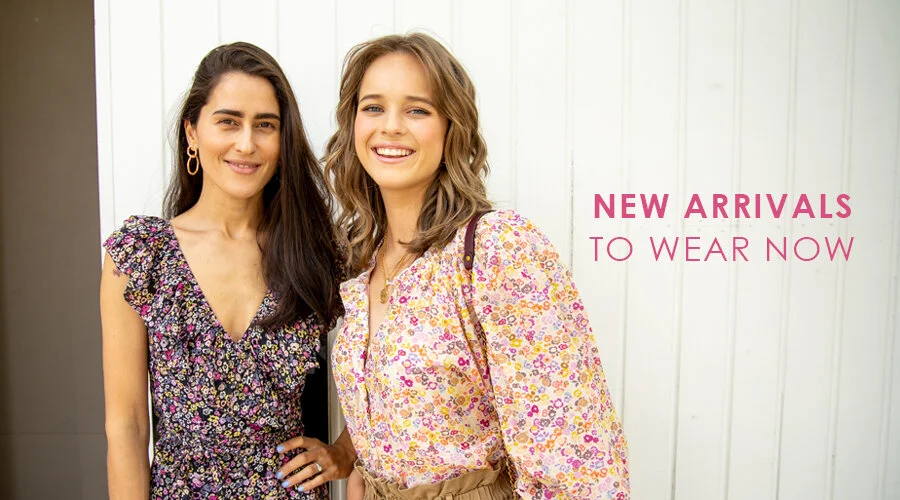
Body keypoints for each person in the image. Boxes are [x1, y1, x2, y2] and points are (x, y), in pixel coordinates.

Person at [325, 33, 630, 499]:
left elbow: (572, 452)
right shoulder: (360, 261)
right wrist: (357, 463)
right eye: (373, 107)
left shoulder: (495, 250)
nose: (391, 126)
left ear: (453, 127)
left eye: (417, 110)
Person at [100, 42, 356, 499]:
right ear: (192, 133)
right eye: (228, 121)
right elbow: (127, 426)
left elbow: (396, 363)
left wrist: (344, 450)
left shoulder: (316, 254)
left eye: (265, 125)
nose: (246, 143)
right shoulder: (142, 255)